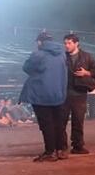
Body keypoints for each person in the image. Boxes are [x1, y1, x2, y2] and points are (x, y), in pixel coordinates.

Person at [21, 32, 69, 161]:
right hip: (58, 93)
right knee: (58, 123)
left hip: (41, 94)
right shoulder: (62, 54)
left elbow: (26, 68)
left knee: (46, 124)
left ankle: (50, 152)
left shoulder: (38, 54)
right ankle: (61, 150)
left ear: (40, 42)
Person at [62, 33, 95, 155]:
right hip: (63, 93)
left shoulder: (87, 57)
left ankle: (78, 146)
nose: (66, 45)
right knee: (61, 121)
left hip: (79, 93)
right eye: (65, 43)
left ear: (76, 43)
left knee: (78, 121)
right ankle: (61, 146)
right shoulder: (62, 56)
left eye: (69, 43)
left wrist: (86, 73)